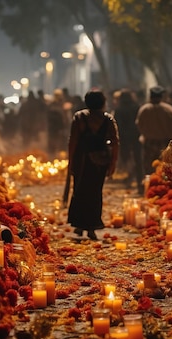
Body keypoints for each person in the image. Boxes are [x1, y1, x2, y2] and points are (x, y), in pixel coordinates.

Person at [67, 90, 119, 240]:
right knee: (95, 192)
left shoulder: (80, 117)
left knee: (80, 190)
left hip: (82, 160)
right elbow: (115, 143)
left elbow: (73, 141)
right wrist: (113, 162)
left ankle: (80, 224)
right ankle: (90, 226)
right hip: (100, 161)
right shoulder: (108, 119)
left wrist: (71, 161)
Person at [135, 86, 172, 176]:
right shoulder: (168, 109)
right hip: (165, 143)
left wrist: (145, 133)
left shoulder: (144, 109)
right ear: (161, 97)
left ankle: (150, 187)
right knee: (165, 168)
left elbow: (139, 125)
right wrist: (170, 132)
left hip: (149, 142)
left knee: (149, 168)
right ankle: (163, 187)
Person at [112, 89, 142, 193]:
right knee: (138, 160)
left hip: (124, 137)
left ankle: (129, 178)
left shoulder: (119, 109)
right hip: (136, 136)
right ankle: (138, 182)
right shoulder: (136, 107)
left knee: (127, 158)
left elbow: (117, 125)